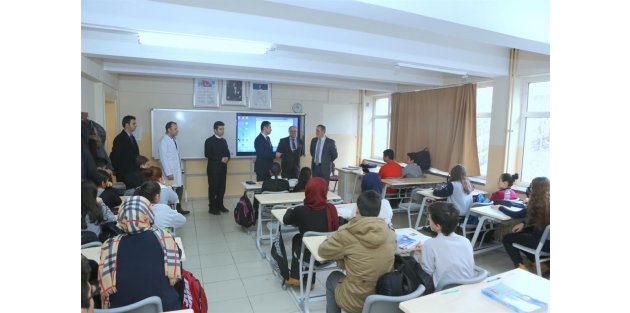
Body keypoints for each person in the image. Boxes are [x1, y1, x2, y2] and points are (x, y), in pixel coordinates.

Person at [98, 195, 182, 311]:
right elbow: (178, 256)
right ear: (149, 215)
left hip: (120, 310)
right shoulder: (163, 238)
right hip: (165, 307)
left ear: (121, 218)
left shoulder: (109, 245)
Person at [319, 190, 396, 313]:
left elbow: (323, 251)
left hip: (356, 301)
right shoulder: (390, 233)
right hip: (383, 297)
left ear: (357, 210)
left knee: (333, 277)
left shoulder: (347, 233)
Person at [283, 177, 339, 288]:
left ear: (307, 191)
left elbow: (286, 220)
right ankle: (310, 280)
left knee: (298, 238)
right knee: (309, 240)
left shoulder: (300, 211)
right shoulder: (331, 209)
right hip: (329, 253)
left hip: (310, 256)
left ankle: (295, 277)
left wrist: (290, 210)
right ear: (325, 192)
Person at [417, 202, 475, 288]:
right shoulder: (466, 241)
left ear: (438, 226)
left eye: (429, 219)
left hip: (443, 289)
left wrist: (420, 257)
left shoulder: (430, 244)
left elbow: (427, 273)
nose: (428, 221)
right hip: (467, 286)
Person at [501, 177, 550, 274]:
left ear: (534, 189)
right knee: (521, 234)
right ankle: (538, 264)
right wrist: (523, 223)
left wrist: (500, 207)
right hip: (549, 243)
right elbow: (535, 217)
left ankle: (520, 267)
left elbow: (516, 214)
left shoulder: (537, 203)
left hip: (541, 243)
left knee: (507, 238)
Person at [159, 121, 190, 215]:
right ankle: (171, 210)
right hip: (170, 173)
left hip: (177, 170)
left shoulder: (174, 139)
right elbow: (163, 158)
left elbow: (176, 156)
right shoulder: (163, 141)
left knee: (180, 188)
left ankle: (179, 208)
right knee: (171, 190)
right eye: (175, 128)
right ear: (169, 129)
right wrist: (168, 173)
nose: (177, 130)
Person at [205, 121, 230, 215]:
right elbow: (207, 154)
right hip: (213, 170)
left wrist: (227, 158)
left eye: (223, 129)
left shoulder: (224, 141)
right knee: (213, 188)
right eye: (220, 129)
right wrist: (220, 159)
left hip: (223, 169)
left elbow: (227, 153)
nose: (222, 130)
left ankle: (220, 205)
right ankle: (212, 207)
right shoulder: (209, 140)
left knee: (222, 188)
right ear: (215, 130)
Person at [109, 115, 140, 184]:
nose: (136, 125)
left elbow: (135, 153)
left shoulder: (132, 137)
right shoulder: (119, 138)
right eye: (133, 123)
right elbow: (115, 156)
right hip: (124, 172)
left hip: (133, 171)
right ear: (127, 125)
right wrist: (115, 170)